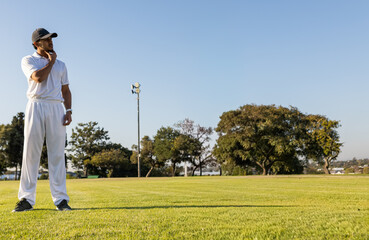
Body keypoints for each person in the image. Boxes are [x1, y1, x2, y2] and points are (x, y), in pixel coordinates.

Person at [13, 28, 72, 212]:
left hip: (56, 107)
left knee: (56, 155)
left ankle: (61, 200)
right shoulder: (28, 60)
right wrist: (51, 62)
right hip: (35, 105)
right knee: (31, 154)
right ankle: (26, 200)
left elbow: (66, 90)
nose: (50, 42)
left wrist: (68, 110)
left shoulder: (61, 65)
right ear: (36, 44)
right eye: (46, 40)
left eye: (51, 39)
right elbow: (38, 78)